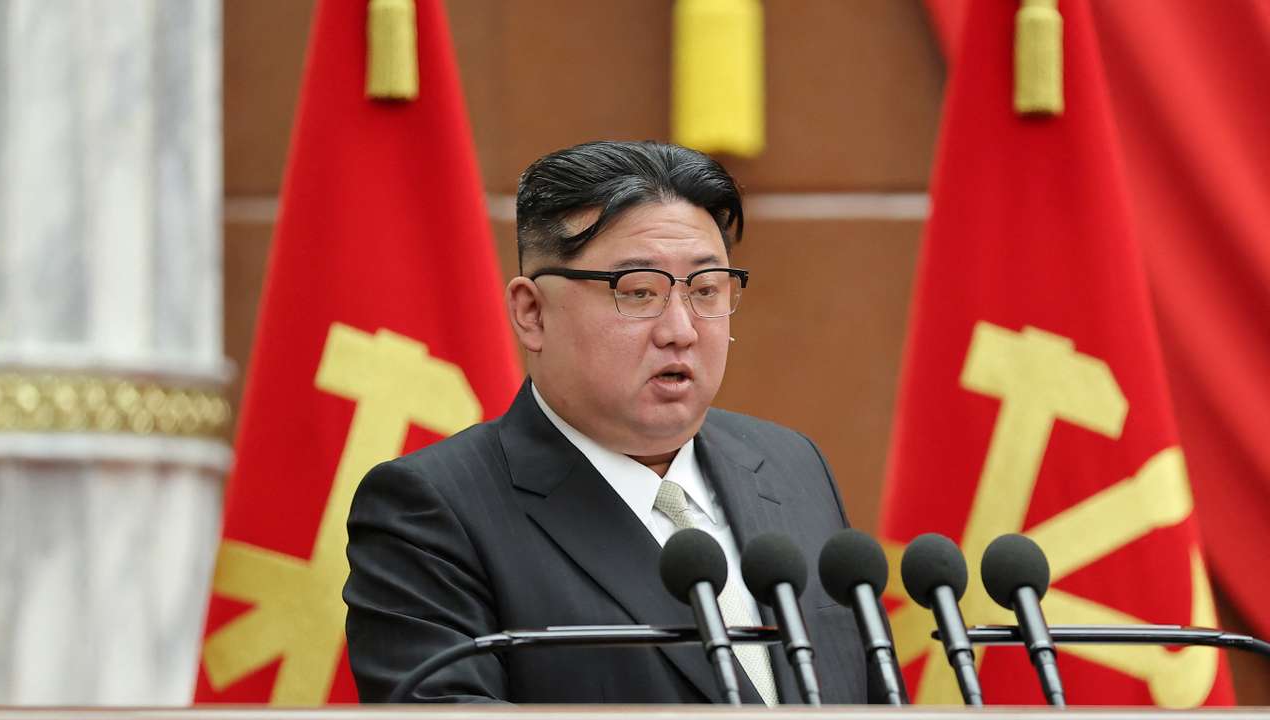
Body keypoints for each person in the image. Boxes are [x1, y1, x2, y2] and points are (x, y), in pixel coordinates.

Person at [344, 140, 880, 704]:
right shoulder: (432, 511)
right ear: (532, 313)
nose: (681, 330)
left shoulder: (793, 466)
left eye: (705, 290)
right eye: (639, 292)